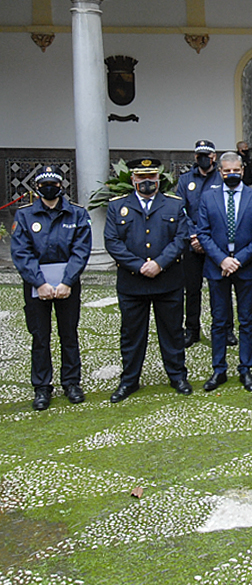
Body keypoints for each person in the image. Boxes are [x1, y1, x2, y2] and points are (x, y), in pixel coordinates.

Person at [103, 158, 192, 403]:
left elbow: (181, 238)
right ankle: (129, 380)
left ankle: (177, 376)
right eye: (141, 178)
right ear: (132, 179)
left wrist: (159, 263)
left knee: (173, 332)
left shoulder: (174, 205)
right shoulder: (117, 206)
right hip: (133, 283)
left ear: (158, 179)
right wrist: (138, 266)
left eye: (151, 177)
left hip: (168, 281)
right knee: (131, 335)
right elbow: (112, 241)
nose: (146, 182)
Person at [10, 166, 92, 411]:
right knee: (40, 336)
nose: (49, 188)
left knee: (69, 335)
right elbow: (21, 253)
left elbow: (81, 250)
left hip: (68, 285)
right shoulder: (24, 216)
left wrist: (67, 281)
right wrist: (40, 283)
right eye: (44, 183)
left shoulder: (76, 213)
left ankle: (71, 382)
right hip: (38, 286)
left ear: (61, 186)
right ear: (36, 187)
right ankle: (42, 386)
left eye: (53, 183)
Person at [197, 151, 252, 393]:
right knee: (219, 320)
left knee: (246, 320)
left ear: (243, 170)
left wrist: (237, 260)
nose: (231, 174)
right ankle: (219, 369)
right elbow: (203, 233)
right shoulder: (208, 197)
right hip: (218, 268)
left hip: (245, 267)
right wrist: (222, 260)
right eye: (227, 171)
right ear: (220, 172)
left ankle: (246, 368)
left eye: (235, 170)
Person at [176, 140, 236, 349]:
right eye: (199, 155)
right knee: (192, 290)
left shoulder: (221, 178)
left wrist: (206, 239)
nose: (203, 158)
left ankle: (226, 329)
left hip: (215, 245)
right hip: (192, 245)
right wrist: (195, 236)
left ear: (214, 157)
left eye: (207, 155)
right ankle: (191, 329)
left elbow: (224, 210)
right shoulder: (185, 181)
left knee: (220, 289)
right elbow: (180, 211)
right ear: (195, 157)